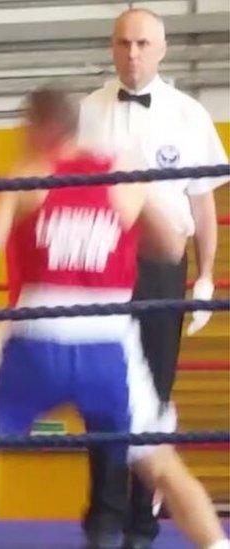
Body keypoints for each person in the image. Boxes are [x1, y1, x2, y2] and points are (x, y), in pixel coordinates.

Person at [0, 87, 229, 549]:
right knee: (161, 465)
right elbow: (171, 248)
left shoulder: (30, 174)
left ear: (37, 127)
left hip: (36, 336)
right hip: (109, 342)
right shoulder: (124, 177)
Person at [77, 9, 229, 547]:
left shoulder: (189, 115)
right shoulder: (88, 111)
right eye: (123, 42)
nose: (133, 53)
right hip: (101, 262)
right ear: (112, 47)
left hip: (164, 268)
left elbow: (203, 201)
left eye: (143, 43)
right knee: (99, 387)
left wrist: (207, 277)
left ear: (161, 49)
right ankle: (103, 518)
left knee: (156, 395)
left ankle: (142, 521)